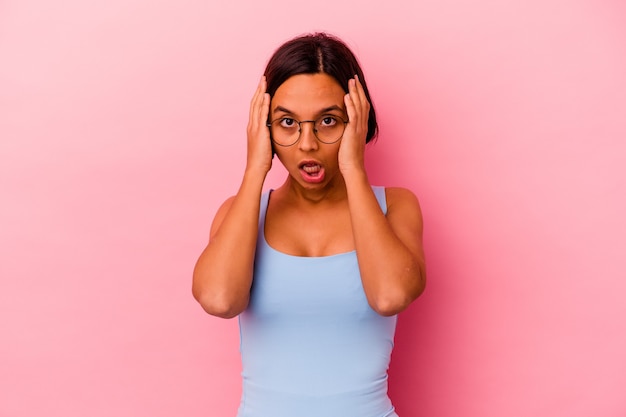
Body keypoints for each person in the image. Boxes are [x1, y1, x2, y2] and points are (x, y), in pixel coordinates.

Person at [192, 32, 426, 417]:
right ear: (264, 127)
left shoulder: (396, 206)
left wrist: (353, 166)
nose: (307, 144)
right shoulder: (239, 212)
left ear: (357, 120)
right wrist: (255, 169)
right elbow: (219, 300)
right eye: (287, 122)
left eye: (328, 121)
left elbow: (390, 296)